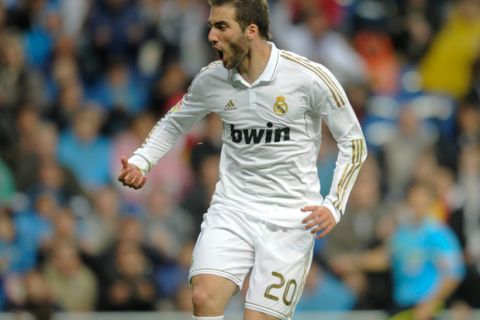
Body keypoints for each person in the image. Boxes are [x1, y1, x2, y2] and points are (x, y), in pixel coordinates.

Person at [118, 0, 367, 319]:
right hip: (232, 208)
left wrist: (334, 203)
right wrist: (142, 161)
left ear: (251, 32)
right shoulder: (212, 79)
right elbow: (174, 121)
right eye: (210, 25)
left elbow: (354, 141)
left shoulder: (308, 77)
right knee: (203, 296)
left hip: (290, 219)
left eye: (221, 26)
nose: (210, 36)